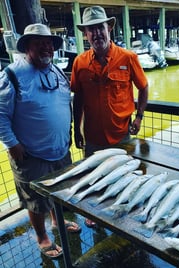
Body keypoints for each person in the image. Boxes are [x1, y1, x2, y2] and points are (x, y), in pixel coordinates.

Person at [0, 23, 81, 259]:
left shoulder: (55, 71)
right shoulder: (12, 75)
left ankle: (57, 221)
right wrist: (12, 144)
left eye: (49, 43)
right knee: (34, 200)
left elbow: (65, 103)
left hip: (60, 150)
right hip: (30, 154)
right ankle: (42, 237)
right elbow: (1, 114)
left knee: (56, 190)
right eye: (40, 43)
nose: (47, 48)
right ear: (27, 47)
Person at [70, 6, 148, 227]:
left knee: (125, 177)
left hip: (122, 134)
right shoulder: (80, 62)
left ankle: (122, 212)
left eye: (100, 28)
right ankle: (95, 213)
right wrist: (77, 129)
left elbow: (143, 87)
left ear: (109, 28)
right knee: (93, 176)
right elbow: (78, 98)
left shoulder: (128, 57)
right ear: (85, 34)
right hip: (93, 137)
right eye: (91, 30)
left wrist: (139, 117)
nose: (97, 34)